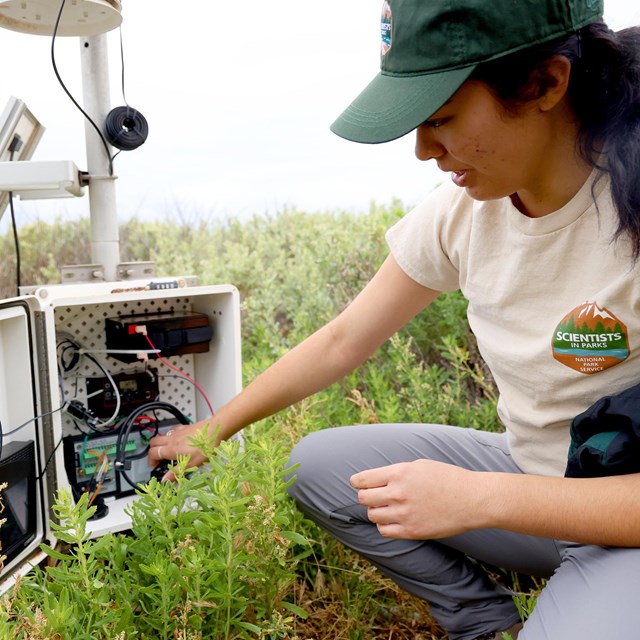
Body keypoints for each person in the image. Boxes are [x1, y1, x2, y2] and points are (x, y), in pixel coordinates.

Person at [149, 0, 640, 637]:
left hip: (620, 521)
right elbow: (342, 340)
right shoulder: (463, 213)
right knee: (317, 466)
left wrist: (478, 498)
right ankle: (480, 618)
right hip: (533, 481)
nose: (422, 149)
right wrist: (213, 430)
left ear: (546, 83)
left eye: (441, 118)